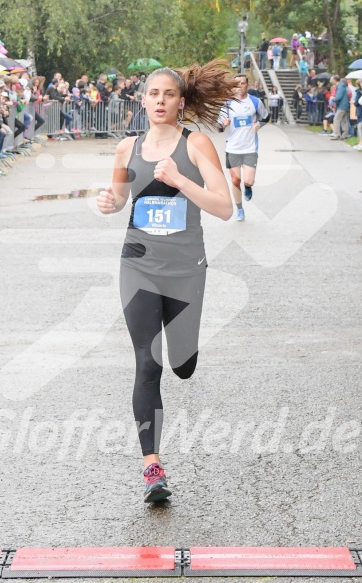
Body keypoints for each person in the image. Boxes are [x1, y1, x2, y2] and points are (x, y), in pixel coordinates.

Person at [96, 60, 237, 503]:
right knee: (147, 362)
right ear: (142, 100)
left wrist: (179, 180)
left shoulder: (196, 144)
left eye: (168, 94)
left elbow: (223, 207)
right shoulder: (126, 148)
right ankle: (151, 468)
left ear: (181, 101)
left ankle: (186, 354)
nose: (160, 101)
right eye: (153, 94)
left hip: (186, 269)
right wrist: (108, 202)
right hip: (137, 264)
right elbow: (120, 197)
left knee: (182, 363)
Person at [218, 74, 269, 222]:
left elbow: (266, 117)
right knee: (235, 180)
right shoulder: (227, 104)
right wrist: (223, 124)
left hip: (250, 147)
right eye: (237, 84)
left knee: (248, 180)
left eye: (243, 83)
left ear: (247, 85)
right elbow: (218, 127)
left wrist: (259, 125)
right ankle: (239, 209)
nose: (240, 86)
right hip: (233, 147)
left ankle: (248, 187)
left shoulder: (255, 102)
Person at [330, 75, 349, 140]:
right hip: (344, 105)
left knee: (336, 119)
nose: (331, 81)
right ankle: (345, 134)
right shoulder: (342, 86)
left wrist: (333, 99)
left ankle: (337, 134)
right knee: (344, 120)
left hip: (341, 105)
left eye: (332, 79)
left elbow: (339, 97)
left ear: (335, 80)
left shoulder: (340, 87)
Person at [353, 79, 362, 150]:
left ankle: (360, 143)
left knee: (360, 127)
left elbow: (356, 103)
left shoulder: (359, 92)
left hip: (360, 111)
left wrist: (354, 102)